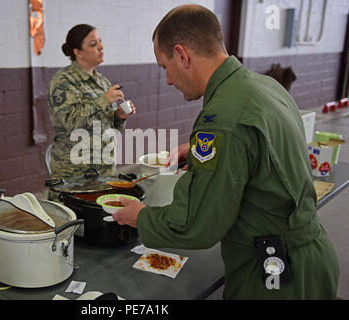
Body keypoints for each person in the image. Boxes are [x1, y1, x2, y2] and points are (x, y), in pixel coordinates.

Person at [113, 5, 340, 299]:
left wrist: (141, 217)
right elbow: (258, 158)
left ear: (182, 55)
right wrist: (197, 153)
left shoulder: (221, 119)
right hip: (311, 261)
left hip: (274, 276)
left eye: (164, 67)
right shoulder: (265, 87)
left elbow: (198, 225)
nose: (168, 80)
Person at [47, 24, 136, 179]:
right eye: (93, 44)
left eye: (100, 41)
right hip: (74, 173)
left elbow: (108, 127)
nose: (101, 47)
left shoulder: (102, 82)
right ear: (78, 52)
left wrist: (118, 117)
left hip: (103, 169)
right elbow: (70, 123)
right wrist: (103, 101)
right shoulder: (63, 81)